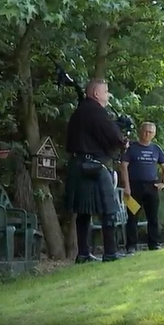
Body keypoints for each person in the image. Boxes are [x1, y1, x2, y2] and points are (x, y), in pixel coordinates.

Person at [64, 79, 129, 263]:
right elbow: (113, 137)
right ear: (96, 94)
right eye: (106, 91)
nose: (108, 95)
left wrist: (116, 125)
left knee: (83, 212)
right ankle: (110, 253)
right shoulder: (96, 111)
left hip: (78, 164)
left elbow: (97, 134)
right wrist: (123, 137)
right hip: (95, 166)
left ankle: (83, 254)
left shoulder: (80, 111)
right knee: (109, 209)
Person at [119, 122, 164, 254]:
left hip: (151, 186)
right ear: (140, 131)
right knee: (132, 217)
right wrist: (126, 187)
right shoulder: (132, 148)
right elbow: (123, 166)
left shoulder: (156, 149)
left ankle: (154, 244)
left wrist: (163, 182)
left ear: (154, 134)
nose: (147, 134)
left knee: (152, 217)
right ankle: (131, 246)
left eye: (150, 132)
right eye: (145, 131)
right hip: (134, 186)